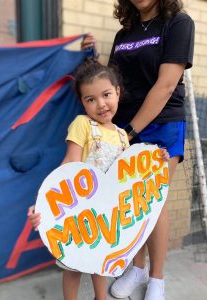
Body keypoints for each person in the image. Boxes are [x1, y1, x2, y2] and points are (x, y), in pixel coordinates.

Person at [28, 58, 169, 300]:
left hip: (105, 212)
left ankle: (100, 297)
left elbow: (130, 175)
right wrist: (46, 205)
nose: (100, 104)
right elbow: (69, 165)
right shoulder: (82, 124)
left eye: (105, 95)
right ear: (82, 102)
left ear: (117, 92)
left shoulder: (124, 136)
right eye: (90, 99)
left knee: (101, 256)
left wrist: (156, 160)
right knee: (72, 264)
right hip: (79, 211)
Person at [81, 0, 195, 300]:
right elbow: (113, 81)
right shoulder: (124, 33)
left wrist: (130, 132)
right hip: (122, 126)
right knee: (129, 202)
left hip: (161, 123)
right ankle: (138, 268)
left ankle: (157, 279)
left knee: (152, 201)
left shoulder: (179, 24)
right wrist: (92, 57)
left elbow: (167, 84)